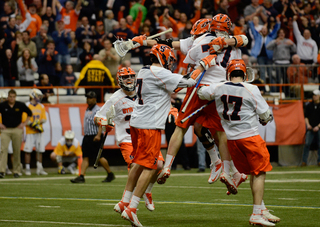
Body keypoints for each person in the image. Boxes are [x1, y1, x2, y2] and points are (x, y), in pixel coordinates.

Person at [156, 15, 248, 192]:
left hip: (202, 88)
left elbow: (190, 59)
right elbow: (243, 40)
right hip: (222, 89)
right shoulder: (235, 44)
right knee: (208, 129)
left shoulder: (202, 40)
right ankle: (224, 168)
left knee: (181, 126)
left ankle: (167, 166)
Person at [113, 44, 199, 227]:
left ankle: (124, 201)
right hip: (149, 125)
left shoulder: (144, 70)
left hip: (137, 123)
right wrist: (204, 64)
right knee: (151, 166)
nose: (170, 63)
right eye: (169, 59)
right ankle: (132, 208)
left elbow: (169, 87)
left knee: (138, 162)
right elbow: (190, 81)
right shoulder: (160, 72)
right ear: (163, 58)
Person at [197, 59, 280, 226]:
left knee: (252, 172)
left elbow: (201, 93)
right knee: (259, 173)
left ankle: (262, 209)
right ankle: (256, 213)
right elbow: (266, 115)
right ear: (244, 73)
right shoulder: (251, 88)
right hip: (250, 137)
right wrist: (263, 119)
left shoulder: (219, 87)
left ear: (229, 73)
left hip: (232, 141)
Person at [95, 67, 159, 211]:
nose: (129, 79)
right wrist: (105, 123)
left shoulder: (142, 92)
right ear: (119, 80)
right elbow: (98, 116)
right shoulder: (115, 99)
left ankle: (147, 190)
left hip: (145, 136)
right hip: (127, 139)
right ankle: (128, 202)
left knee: (159, 166)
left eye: (131, 76)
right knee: (134, 166)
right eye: (125, 77)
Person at [70, 91, 115, 183]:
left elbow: (100, 123)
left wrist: (98, 135)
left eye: (90, 98)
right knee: (85, 156)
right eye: (87, 98)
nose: (88, 99)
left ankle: (110, 173)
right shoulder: (88, 109)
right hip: (87, 136)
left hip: (95, 136)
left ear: (95, 99)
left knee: (99, 157)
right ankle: (81, 176)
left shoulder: (97, 110)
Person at [0, 89, 32, 178]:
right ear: (7, 97)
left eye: (13, 97)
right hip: (6, 130)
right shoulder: (2, 105)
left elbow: (29, 113)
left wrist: (24, 123)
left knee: (16, 150)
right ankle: (2, 171)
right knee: (3, 150)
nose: (12, 98)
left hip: (17, 129)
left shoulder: (20, 105)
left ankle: (16, 171)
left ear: (15, 97)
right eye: (10, 97)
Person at [23, 89, 47, 176]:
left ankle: (39, 168)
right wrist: (33, 124)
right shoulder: (26, 105)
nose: (39, 97)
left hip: (39, 130)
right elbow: (25, 119)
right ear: (33, 95)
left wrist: (37, 124)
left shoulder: (41, 106)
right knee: (28, 150)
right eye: (38, 95)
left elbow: (44, 119)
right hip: (29, 131)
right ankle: (27, 168)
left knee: (40, 150)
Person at [301, 89, 320, 166]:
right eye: (313, 95)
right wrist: (308, 125)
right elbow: (306, 117)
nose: (314, 97)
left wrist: (318, 126)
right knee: (307, 144)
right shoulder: (309, 106)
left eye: (315, 95)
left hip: (318, 127)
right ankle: (304, 161)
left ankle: (319, 161)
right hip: (310, 127)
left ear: (319, 96)